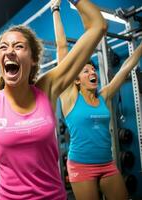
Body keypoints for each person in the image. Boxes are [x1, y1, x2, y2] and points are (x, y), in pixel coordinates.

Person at [0, 0, 107, 199]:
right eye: (3, 47)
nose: (9, 51)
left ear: (33, 59)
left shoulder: (48, 87)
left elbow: (97, 25)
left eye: (18, 46)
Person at [51, 0, 142, 199]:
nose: (92, 72)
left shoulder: (104, 95)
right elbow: (61, 48)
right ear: (75, 79)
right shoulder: (69, 95)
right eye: (86, 71)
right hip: (81, 167)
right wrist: (55, 9)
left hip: (108, 164)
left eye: (93, 69)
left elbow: (126, 67)